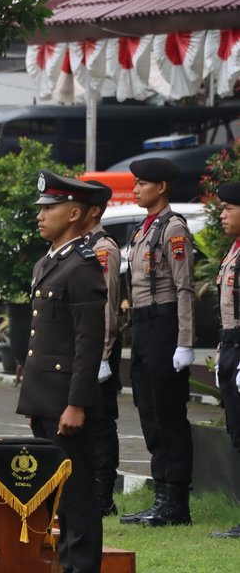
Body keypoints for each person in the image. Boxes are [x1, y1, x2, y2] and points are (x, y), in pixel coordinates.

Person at [16, 170, 106, 573]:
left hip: (69, 404)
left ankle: (81, 567)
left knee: (78, 495)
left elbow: (89, 343)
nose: (41, 215)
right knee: (58, 494)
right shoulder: (48, 264)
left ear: (74, 214)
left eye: (49, 208)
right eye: (41, 207)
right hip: (46, 398)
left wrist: (76, 403)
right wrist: (35, 400)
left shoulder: (83, 267)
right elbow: (42, 339)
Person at [120, 157, 195, 527]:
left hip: (165, 323)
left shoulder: (173, 228)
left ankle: (175, 502)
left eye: (142, 183)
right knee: (148, 410)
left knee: (168, 415)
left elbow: (183, 287)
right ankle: (161, 495)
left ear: (161, 187)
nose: (135, 189)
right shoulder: (143, 228)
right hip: (143, 325)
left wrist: (184, 340)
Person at [83, 180, 123, 517]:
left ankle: (101, 495)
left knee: (101, 424)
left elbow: (107, 306)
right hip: (80, 351)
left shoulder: (102, 248)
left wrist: (104, 356)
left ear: (93, 210)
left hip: (99, 351)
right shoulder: (77, 245)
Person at [209, 180, 240, 539]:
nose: (222, 213)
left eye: (228, 208)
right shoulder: (234, 250)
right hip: (231, 346)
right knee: (237, 434)